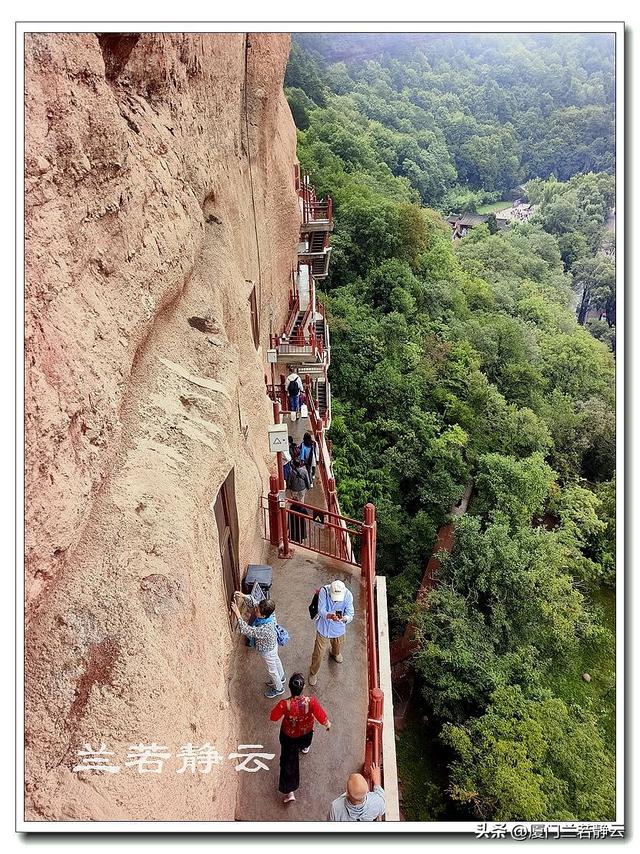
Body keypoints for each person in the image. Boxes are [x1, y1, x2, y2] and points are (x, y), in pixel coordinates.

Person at [270, 673, 331, 804]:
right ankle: (305, 747)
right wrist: (326, 723)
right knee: (306, 741)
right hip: (306, 732)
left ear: (290, 687)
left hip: (289, 736)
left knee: (289, 763)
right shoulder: (311, 702)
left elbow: (273, 717)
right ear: (302, 688)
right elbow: (321, 715)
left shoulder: (284, 704)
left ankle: (289, 791)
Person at [230, 592, 286, 698]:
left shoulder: (266, 629)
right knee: (276, 661)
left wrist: (237, 614)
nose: (255, 610)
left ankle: (279, 688)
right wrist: (243, 596)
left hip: (267, 651)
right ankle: (282, 678)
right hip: (273, 646)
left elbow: (248, 630)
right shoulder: (270, 613)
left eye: (257, 611)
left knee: (272, 671)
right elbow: (255, 603)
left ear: (263, 615)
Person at [308, 579, 354, 686]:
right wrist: (329, 615)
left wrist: (343, 618)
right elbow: (321, 609)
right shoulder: (324, 591)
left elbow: (350, 614)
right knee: (318, 653)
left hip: (338, 627)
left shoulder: (348, 595)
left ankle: (335, 653)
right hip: (323, 627)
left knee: (338, 646)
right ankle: (313, 672)